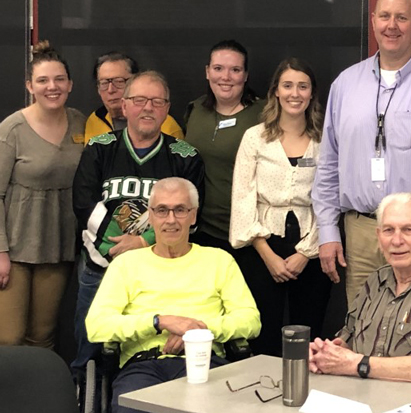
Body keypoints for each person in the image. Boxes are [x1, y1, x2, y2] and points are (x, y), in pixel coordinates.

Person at [313, 0, 411, 305]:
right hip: (360, 235)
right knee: (362, 330)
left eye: (401, 17)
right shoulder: (345, 85)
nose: (392, 25)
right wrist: (327, 231)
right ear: (373, 21)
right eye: (384, 16)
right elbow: (328, 164)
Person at [71, 70, 205, 378]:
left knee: (146, 351)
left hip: (159, 274)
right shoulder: (98, 148)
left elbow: (191, 213)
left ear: (167, 108)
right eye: (140, 100)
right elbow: (83, 205)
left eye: (157, 101)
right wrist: (119, 250)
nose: (148, 108)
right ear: (125, 105)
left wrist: (144, 244)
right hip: (100, 266)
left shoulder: (185, 157)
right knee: (89, 352)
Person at [87, 177, 260, 413]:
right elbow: (97, 326)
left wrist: (197, 331)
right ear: (151, 215)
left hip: (205, 363)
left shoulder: (219, 260)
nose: (171, 219)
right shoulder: (126, 264)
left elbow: (250, 321)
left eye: (180, 210)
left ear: (193, 215)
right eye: (162, 210)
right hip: (144, 366)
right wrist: (160, 322)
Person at [308, 192, 411, 387]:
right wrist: (326, 354)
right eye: (388, 230)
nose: (396, 240)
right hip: (363, 395)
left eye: (408, 230)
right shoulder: (376, 280)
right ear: (379, 237)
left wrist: (356, 364)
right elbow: (348, 340)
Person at [229, 58, 331, 355]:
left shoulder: (325, 141)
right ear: (276, 91)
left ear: (312, 93)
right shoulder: (255, 138)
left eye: (303, 86)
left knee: (309, 335)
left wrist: (305, 253)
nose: (294, 93)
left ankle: (305, 394)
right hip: (262, 249)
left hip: (311, 248)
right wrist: (267, 253)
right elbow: (243, 197)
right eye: (287, 86)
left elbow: (329, 200)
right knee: (264, 335)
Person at [0, 41, 85, 348]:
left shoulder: (81, 123)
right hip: (16, 248)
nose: (52, 87)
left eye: (59, 79)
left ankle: (37, 396)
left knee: (43, 335)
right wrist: (1, 254)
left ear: (70, 84)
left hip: (58, 247)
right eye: (43, 80)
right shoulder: (12, 129)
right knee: (8, 338)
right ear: (29, 86)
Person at [184, 40, 265, 259]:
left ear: (245, 75)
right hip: (200, 233)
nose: (226, 77)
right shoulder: (195, 110)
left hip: (249, 236)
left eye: (235, 70)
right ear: (207, 72)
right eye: (218, 68)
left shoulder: (264, 115)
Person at [85, 51, 183, 143]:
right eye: (104, 83)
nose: (111, 90)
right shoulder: (94, 121)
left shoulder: (166, 125)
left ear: (136, 82)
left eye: (119, 81)